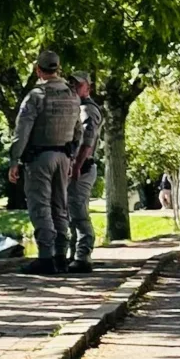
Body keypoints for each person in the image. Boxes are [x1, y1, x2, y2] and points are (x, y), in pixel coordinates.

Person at [8, 51, 86, 274]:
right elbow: (78, 131)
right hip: (63, 156)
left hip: (39, 158)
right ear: (58, 68)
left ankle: (45, 257)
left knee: (40, 205)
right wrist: (71, 156)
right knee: (59, 206)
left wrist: (15, 160)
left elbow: (22, 131)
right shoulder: (72, 96)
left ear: (38, 70)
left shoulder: (36, 96)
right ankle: (61, 255)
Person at [65, 74, 104, 272]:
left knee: (78, 212)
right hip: (74, 167)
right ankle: (73, 255)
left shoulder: (87, 110)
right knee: (70, 211)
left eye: (78, 84)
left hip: (83, 167)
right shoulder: (74, 108)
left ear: (87, 87)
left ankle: (82, 256)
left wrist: (77, 166)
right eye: (71, 83)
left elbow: (87, 142)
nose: (74, 87)